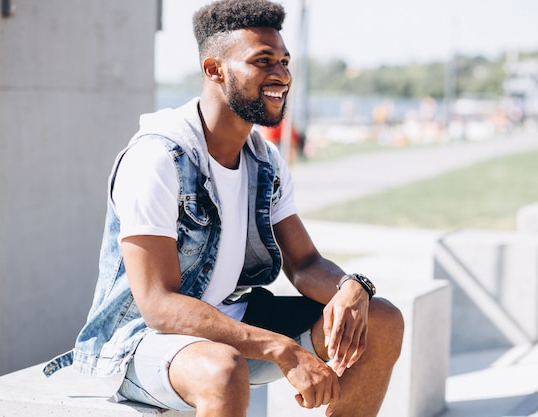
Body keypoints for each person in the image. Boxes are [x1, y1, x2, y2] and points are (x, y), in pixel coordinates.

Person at [43, 1, 404, 416]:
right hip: (139, 342)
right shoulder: (159, 158)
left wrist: (351, 289)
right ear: (214, 70)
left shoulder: (263, 160)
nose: (282, 75)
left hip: (232, 321)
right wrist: (281, 350)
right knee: (222, 369)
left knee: (381, 320)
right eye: (263, 61)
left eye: (284, 61)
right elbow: (158, 304)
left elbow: (304, 263)